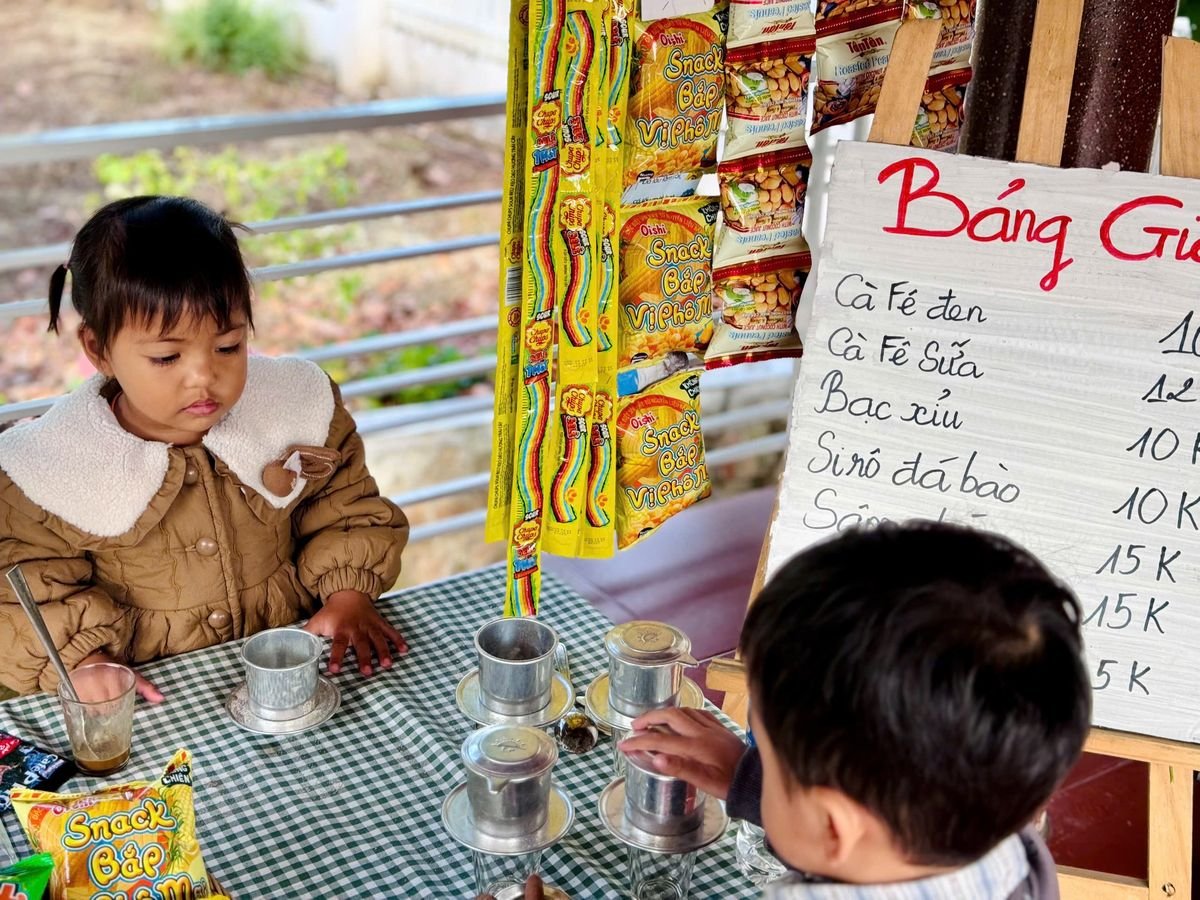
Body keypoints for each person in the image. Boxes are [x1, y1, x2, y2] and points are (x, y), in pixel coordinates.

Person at [0, 196, 409, 700]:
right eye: (166, 356)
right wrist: (85, 661)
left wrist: (347, 594)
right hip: (156, 694)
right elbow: (25, 589)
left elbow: (345, 508)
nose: (203, 376)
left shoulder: (298, 409)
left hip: (292, 661)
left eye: (227, 346)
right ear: (98, 349)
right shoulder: (47, 468)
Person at [619, 522, 1091, 899]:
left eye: (762, 750)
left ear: (832, 826)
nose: (757, 757)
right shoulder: (1018, 853)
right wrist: (752, 782)